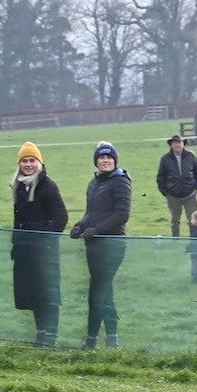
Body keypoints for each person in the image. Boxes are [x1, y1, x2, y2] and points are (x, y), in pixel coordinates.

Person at [69, 141, 131, 349]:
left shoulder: (120, 181)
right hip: (94, 245)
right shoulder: (94, 183)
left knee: (99, 290)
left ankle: (94, 341)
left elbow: (122, 214)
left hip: (112, 244)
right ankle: (107, 340)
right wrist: (80, 226)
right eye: (102, 158)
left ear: (115, 161)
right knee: (102, 290)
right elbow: (91, 213)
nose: (105, 161)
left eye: (109, 157)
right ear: (96, 161)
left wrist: (97, 230)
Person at [9, 140, 68, 346]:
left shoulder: (48, 186)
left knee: (47, 294)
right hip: (26, 252)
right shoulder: (19, 188)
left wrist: (44, 239)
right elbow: (18, 220)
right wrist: (16, 245)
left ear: (39, 163)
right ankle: (40, 334)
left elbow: (61, 217)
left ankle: (50, 338)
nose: (28, 164)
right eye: (24, 161)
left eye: (32, 160)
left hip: (45, 251)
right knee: (33, 293)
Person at [156, 133, 197, 236]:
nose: (177, 145)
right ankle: (176, 241)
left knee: (193, 219)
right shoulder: (165, 159)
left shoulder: (191, 156)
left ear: (183, 144)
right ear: (171, 145)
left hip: (190, 194)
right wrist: (166, 192)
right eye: (175, 143)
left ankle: (195, 240)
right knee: (175, 221)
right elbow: (160, 177)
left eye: (179, 142)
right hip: (173, 196)